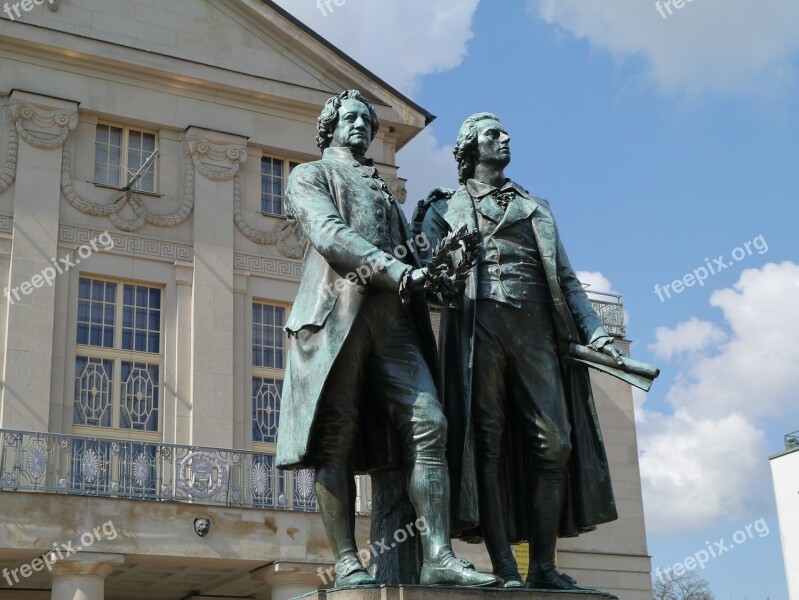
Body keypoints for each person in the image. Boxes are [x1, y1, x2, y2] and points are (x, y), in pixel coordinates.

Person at [275, 91, 498, 589]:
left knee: (429, 424)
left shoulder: (385, 192)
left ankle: (438, 554)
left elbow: (411, 263)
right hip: (335, 318)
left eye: (367, 121)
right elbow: (331, 234)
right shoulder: (309, 175)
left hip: (394, 323)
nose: (360, 125)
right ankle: (349, 561)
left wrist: (435, 274)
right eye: (350, 117)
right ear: (330, 125)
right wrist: (401, 271)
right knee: (336, 442)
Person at [413, 112, 620, 590]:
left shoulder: (537, 209)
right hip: (478, 329)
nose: (504, 139)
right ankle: (505, 564)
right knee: (486, 444)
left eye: (504, 133)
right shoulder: (443, 208)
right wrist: (447, 265)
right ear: (469, 147)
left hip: (537, 333)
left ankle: (542, 565)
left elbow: (566, 281)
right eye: (493, 134)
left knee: (557, 445)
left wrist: (597, 333)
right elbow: (426, 281)